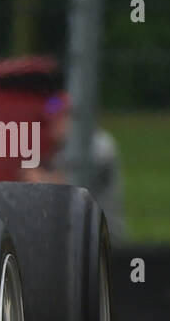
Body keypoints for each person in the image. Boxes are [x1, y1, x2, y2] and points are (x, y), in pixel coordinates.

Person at [24, 93, 126, 241]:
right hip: (78, 242)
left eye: (57, 120)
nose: (51, 128)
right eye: (49, 122)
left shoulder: (100, 145)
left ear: (74, 119)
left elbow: (74, 185)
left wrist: (39, 179)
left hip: (108, 243)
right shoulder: (58, 152)